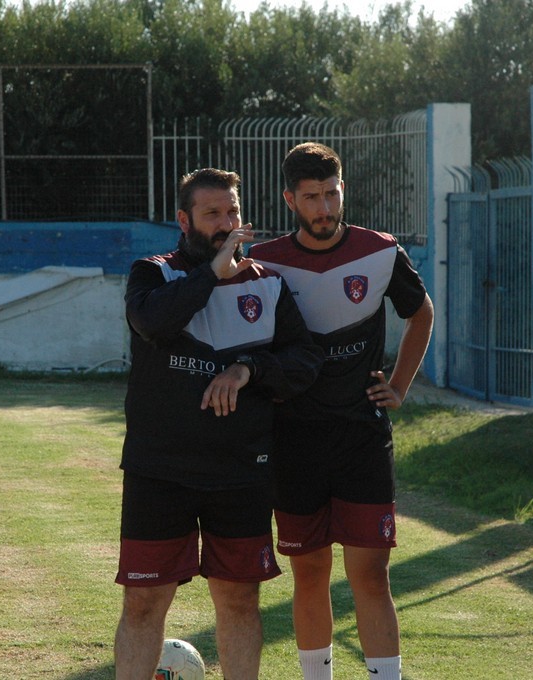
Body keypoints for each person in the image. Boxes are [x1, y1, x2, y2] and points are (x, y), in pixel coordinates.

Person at [113, 167, 323, 680]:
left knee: (239, 599)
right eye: (212, 214)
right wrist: (212, 273)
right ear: (184, 221)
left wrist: (247, 368)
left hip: (241, 470)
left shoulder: (268, 284)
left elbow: (304, 362)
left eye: (233, 212)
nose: (227, 224)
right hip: (160, 470)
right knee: (144, 601)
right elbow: (154, 323)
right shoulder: (153, 274)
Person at [250, 142, 434, 680]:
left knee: (371, 575)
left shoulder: (380, 251)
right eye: (312, 197)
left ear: (343, 190)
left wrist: (398, 386)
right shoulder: (264, 263)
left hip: (361, 438)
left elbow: (421, 313)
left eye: (332, 194)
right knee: (309, 573)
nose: (325, 208)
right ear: (291, 200)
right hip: (294, 440)